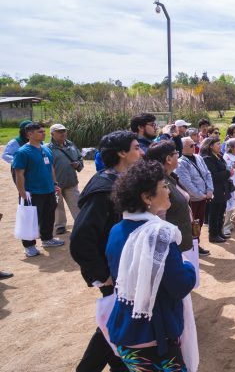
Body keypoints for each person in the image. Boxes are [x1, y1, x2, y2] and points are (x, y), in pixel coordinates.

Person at [106, 160, 197, 369]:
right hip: (155, 333)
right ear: (147, 197)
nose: (168, 191)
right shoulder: (159, 235)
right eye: (163, 186)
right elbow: (180, 285)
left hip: (127, 328)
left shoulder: (117, 230)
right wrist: (188, 265)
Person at [71, 130, 142, 372]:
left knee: (120, 322)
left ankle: (119, 366)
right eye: (136, 148)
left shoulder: (120, 181)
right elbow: (81, 239)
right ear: (122, 153)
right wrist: (101, 274)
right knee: (116, 322)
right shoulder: (104, 189)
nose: (141, 151)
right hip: (113, 272)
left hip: (124, 268)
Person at [12, 123, 64, 256]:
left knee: (48, 216)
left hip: (48, 190)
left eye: (43, 131)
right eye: (40, 132)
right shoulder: (23, 152)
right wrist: (22, 192)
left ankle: (47, 239)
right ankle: (29, 246)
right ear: (30, 134)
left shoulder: (45, 149)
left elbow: (51, 168)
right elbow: (19, 173)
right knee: (30, 219)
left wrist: (55, 183)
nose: (44, 133)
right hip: (33, 192)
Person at [145, 141, 194, 253]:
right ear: (168, 159)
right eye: (176, 153)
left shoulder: (170, 177)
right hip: (173, 246)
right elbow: (160, 217)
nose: (178, 155)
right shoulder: (161, 183)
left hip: (181, 240)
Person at [47, 123, 84, 235]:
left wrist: (78, 164)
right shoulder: (47, 148)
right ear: (52, 134)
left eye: (64, 131)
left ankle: (81, 223)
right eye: (59, 131)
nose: (63, 133)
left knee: (76, 203)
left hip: (71, 181)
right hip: (55, 183)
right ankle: (60, 226)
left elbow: (80, 158)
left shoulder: (71, 144)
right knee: (58, 206)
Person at [201, 137, 231, 244]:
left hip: (222, 188)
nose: (220, 146)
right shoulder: (207, 158)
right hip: (215, 189)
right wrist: (228, 173)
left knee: (221, 210)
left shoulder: (218, 156)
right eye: (218, 144)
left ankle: (219, 231)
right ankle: (213, 235)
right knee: (214, 212)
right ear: (210, 146)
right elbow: (213, 176)